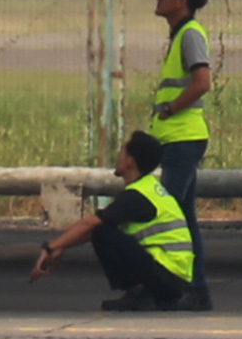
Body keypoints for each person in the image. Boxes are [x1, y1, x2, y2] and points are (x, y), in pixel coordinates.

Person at [26, 130, 196, 312]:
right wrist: (63, 246)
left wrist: (50, 248)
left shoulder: (137, 196)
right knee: (103, 229)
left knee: (102, 230)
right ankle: (142, 293)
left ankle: (142, 294)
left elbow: (90, 224)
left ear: (130, 161)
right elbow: (92, 228)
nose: (118, 155)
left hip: (167, 276)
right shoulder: (149, 188)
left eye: (122, 150)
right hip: (175, 277)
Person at [144, 0, 215, 306]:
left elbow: (202, 82)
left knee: (165, 214)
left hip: (183, 138)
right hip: (175, 139)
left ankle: (166, 285)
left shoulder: (189, 35)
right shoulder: (179, 36)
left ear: (182, 1)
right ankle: (195, 287)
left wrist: (171, 109)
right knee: (183, 216)